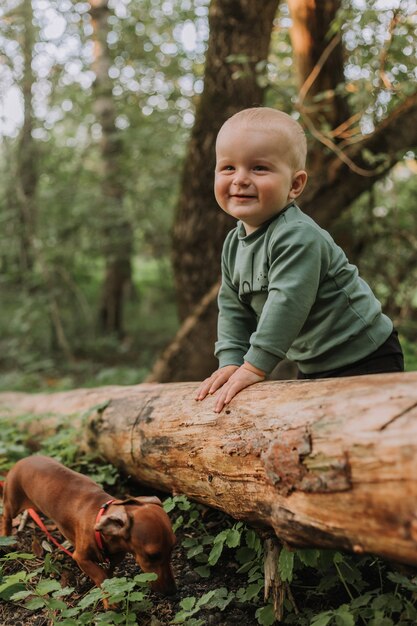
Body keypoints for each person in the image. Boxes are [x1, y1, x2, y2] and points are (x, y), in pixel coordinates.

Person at [195, 107, 404, 413]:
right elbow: (232, 308)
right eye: (228, 168)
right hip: (313, 360)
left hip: (365, 354)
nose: (240, 179)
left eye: (259, 168)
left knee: (372, 434)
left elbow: (287, 302)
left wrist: (255, 366)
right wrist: (231, 361)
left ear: (295, 185)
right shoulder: (232, 244)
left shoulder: (297, 236)